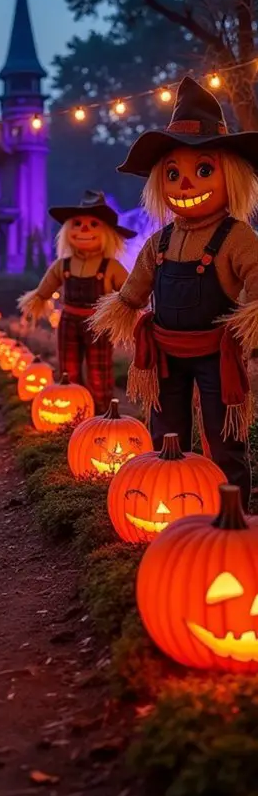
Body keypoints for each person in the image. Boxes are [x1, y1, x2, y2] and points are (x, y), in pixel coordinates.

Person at [91, 76, 258, 507]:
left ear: (232, 177)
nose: (185, 184)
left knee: (224, 436)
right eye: (173, 173)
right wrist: (122, 310)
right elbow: (134, 289)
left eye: (203, 171)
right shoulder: (160, 242)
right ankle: (179, 503)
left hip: (216, 353)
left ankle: (230, 511)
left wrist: (252, 316)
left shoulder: (236, 237)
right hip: (165, 354)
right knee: (168, 433)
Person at [18, 191, 135, 412]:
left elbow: (131, 293)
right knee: (68, 370)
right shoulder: (62, 265)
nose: (84, 229)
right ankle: (73, 412)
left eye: (93, 224)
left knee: (99, 372)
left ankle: (102, 412)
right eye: (78, 224)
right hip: (68, 321)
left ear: (107, 233)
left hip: (99, 325)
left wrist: (130, 314)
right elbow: (43, 291)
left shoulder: (111, 267)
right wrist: (35, 303)